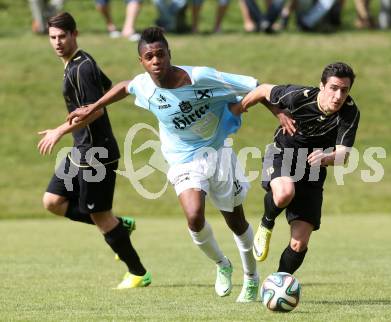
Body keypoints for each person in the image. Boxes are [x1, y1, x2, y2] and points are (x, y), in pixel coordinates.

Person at [66, 26, 260, 302]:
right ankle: (222, 265)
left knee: (236, 222)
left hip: (218, 153)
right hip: (183, 159)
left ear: (169, 54)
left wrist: (279, 109)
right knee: (194, 216)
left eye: (160, 54)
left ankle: (252, 278)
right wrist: (91, 106)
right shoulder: (144, 85)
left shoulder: (199, 77)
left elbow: (255, 86)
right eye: (149, 56)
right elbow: (124, 87)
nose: (156, 61)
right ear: (142, 62)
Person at [39, 12, 150, 289]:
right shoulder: (77, 63)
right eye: (52, 37)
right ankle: (120, 226)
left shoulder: (82, 67)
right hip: (80, 150)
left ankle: (138, 272)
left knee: (100, 217)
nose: (57, 42)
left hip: (96, 154)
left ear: (74, 34)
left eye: (62, 36)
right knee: (52, 201)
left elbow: (97, 110)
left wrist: (59, 130)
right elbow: (108, 89)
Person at [239, 62, 360, 276]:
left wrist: (327, 157)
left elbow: (343, 155)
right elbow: (263, 89)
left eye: (344, 90)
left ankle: (279, 282)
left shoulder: (349, 112)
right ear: (322, 86)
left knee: (299, 243)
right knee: (285, 192)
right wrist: (240, 110)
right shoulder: (299, 96)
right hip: (281, 154)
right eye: (333, 88)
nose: (338, 95)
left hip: (313, 169)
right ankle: (266, 224)